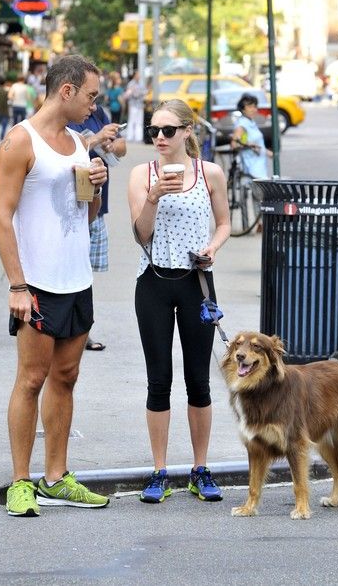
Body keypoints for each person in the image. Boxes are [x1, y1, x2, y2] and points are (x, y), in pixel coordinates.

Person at [0, 54, 110, 517]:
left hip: (76, 279)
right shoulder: (19, 142)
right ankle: (20, 483)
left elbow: (86, 215)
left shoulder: (79, 143)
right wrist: (17, 286)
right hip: (36, 283)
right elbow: (0, 218)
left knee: (67, 377)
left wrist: (96, 189)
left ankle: (56, 477)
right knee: (31, 380)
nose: (93, 107)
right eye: (90, 96)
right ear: (66, 91)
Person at [127, 99, 231, 504]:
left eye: (168, 131)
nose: (160, 138)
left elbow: (223, 223)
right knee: (158, 380)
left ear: (188, 132)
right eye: (154, 131)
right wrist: (152, 196)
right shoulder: (141, 174)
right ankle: (159, 471)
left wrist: (213, 248)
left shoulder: (210, 173)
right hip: (153, 280)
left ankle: (200, 468)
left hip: (196, 282)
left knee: (199, 381)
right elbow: (141, 235)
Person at [69, 104, 127, 351]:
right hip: (70, 208)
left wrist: (111, 145)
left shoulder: (99, 113)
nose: (93, 103)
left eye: (96, 95)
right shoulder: (65, 115)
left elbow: (122, 148)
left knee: (85, 274)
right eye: (89, 95)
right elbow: (64, 151)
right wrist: (96, 138)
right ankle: (68, 329)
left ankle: (82, 330)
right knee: (69, 269)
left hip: (96, 205)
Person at [231, 93, 272, 178]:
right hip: (251, 168)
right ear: (243, 109)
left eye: (255, 106)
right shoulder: (242, 125)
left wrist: (267, 152)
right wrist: (249, 144)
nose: (253, 109)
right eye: (250, 107)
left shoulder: (250, 122)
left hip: (259, 165)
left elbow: (257, 143)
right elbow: (234, 144)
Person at [124, 71, 146, 142]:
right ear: (135, 75)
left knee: (139, 122)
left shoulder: (141, 84)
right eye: (138, 75)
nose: (139, 76)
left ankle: (138, 137)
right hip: (133, 105)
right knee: (132, 121)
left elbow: (144, 92)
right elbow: (133, 94)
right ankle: (130, 136)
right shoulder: (131, 84)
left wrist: (139, 93)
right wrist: (139, 93)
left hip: (140, 105)